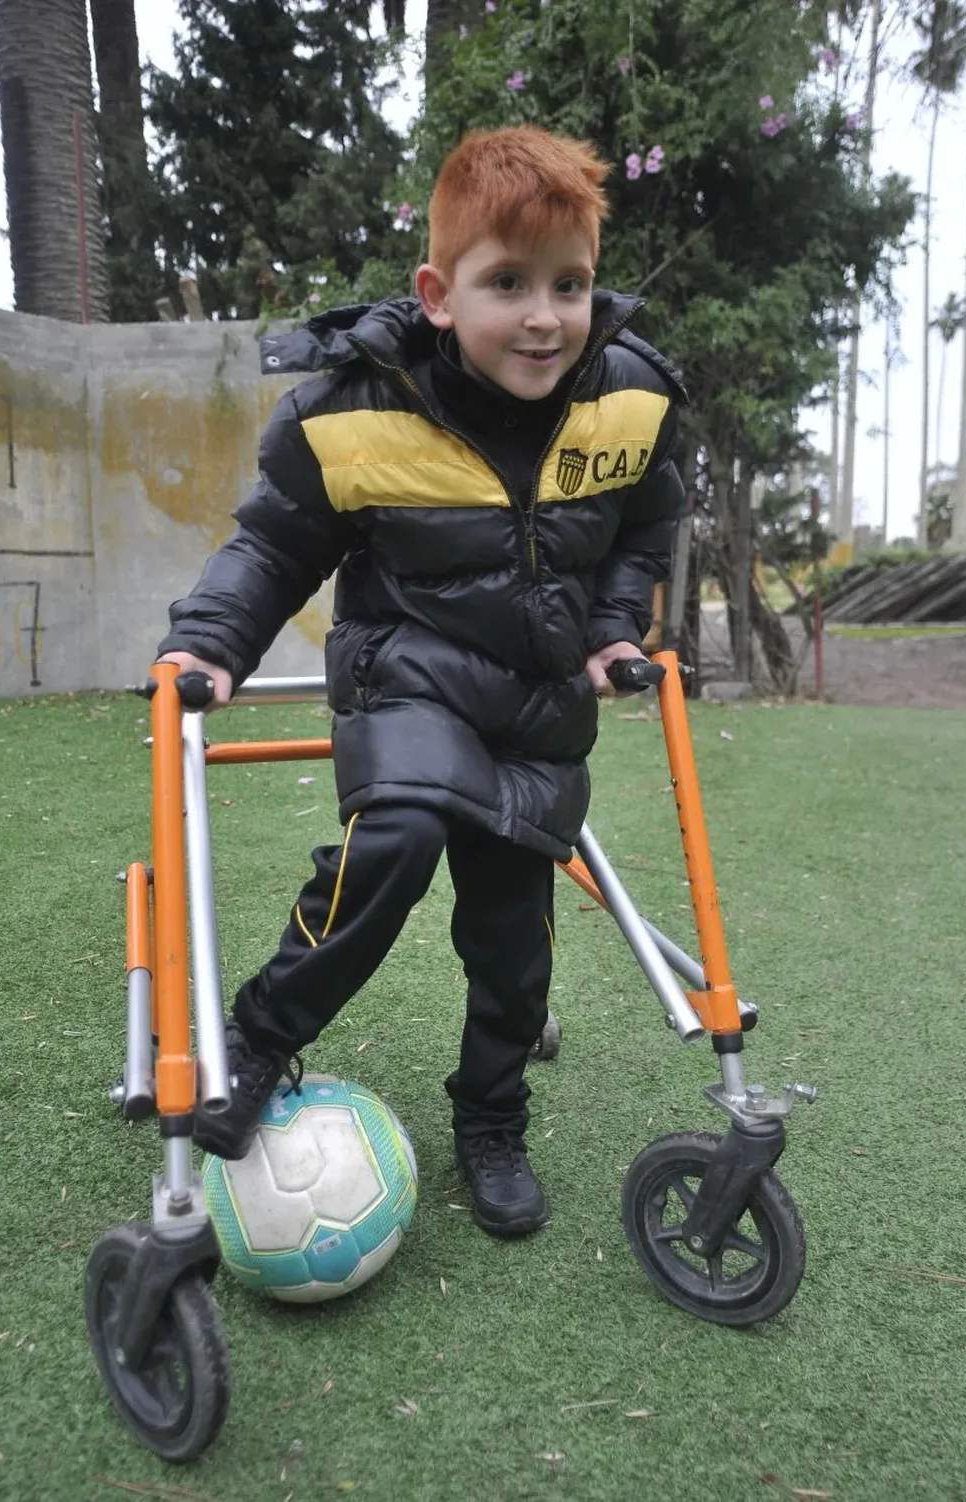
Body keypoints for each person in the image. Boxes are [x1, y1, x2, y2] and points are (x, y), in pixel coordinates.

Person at [156, 124, 687, 1239]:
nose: (543, 315)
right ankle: (260, 1029)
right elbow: (273, 543)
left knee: (512, 938)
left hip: (540, 705)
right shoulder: (357, 411)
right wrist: (211, 638)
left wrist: (608, 623)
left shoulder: (631, 399)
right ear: (440, 293)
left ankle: (491, 1114)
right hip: (407, 674)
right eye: (509, 284)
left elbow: (648, 519)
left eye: (569, 284)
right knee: (394, 834)